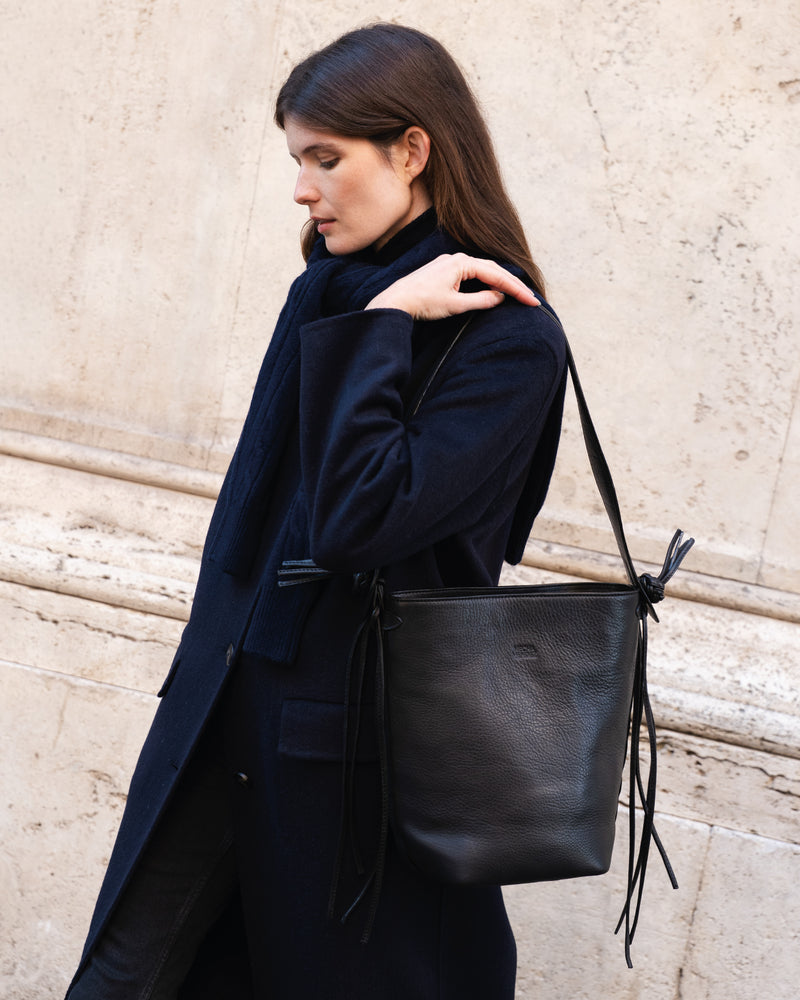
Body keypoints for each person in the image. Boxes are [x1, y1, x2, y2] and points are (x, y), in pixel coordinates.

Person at [66, 23, 567, 999]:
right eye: (299, 160)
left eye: (326, 159)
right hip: (221, 712)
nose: (303, 188)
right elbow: (254, 530)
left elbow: (356, 521)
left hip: (347, 773)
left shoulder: (506, 340)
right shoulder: (326, 293)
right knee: (126, 975)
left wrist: (383, 328)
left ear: (412, 150)